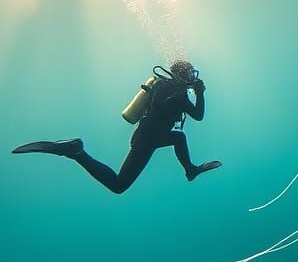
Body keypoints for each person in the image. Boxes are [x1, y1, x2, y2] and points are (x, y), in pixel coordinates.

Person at [12, 60, 222, 194]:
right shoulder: (177, 93)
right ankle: (76, 151)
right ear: (184, 76)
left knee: (179, 137)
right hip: (147, 140)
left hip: (150, 135)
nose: (193, 78)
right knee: (118, 185)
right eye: (190, 75)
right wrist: (201, 93)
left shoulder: (161, 84)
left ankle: (190, 170)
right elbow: (198, 116)